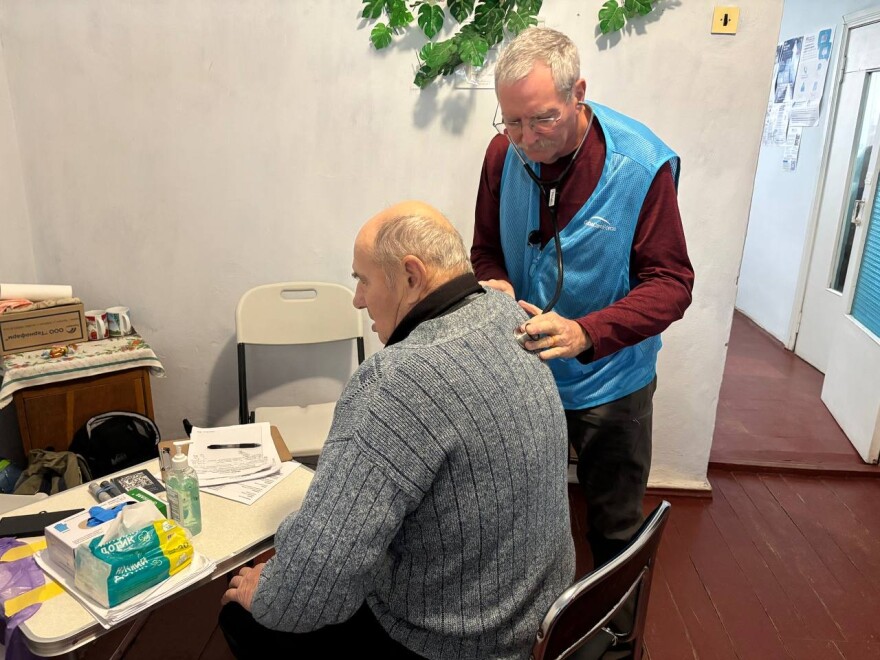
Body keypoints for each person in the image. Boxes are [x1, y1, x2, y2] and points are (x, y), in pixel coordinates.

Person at [219, 200, 575, 659]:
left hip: (457, 643)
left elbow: (309, 595)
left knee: (243, 617)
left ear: (411, 276)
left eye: (362, 280)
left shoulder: (398, 379)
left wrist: (269, 591)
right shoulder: (508, 316)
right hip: (541, 614)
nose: (357, 300)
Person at [471, 27, 694, 570]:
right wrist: (496, 281)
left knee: (614, 527)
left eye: (542, 117)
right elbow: (485, 250)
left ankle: (614, 644)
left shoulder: (641, 165)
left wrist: (586, 332)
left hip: (612, 381)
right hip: (526, 374)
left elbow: (671, 283)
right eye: (513, 120)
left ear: (578, 93)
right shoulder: (504, 154)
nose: (526, 137)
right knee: (518, 518)